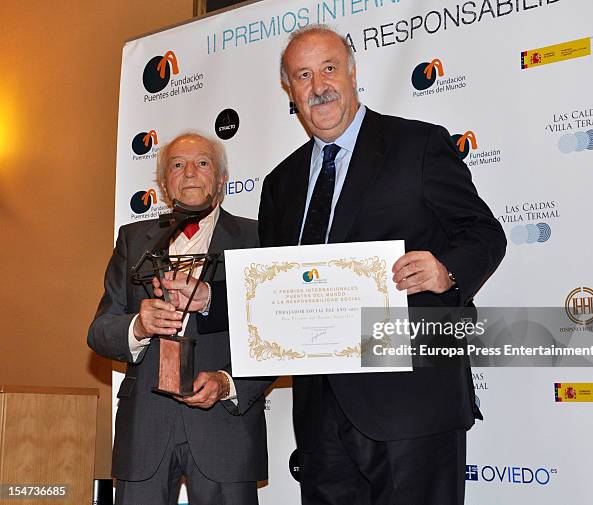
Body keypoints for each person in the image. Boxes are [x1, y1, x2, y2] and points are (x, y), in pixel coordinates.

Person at [258, 25, 507, 505]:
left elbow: (484, 233)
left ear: (353, 73)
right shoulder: (280, 183)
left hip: (412, 404)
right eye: (302, 75)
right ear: (290, 91)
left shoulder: (419, 145)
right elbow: (272, 287)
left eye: (329, 68)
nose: (318, 86)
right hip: (319, 415)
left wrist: (446, 271)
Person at [88, 132, 271, 505]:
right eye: (177, 165)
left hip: (224, 425)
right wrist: (138, 326)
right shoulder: (133, 239)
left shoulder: (256, 238)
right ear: (164, 181)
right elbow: (100, 331)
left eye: (202, 163)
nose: (189, 173)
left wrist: (228, 382)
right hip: (144, 429)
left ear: (221, 179)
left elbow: (275, 331)